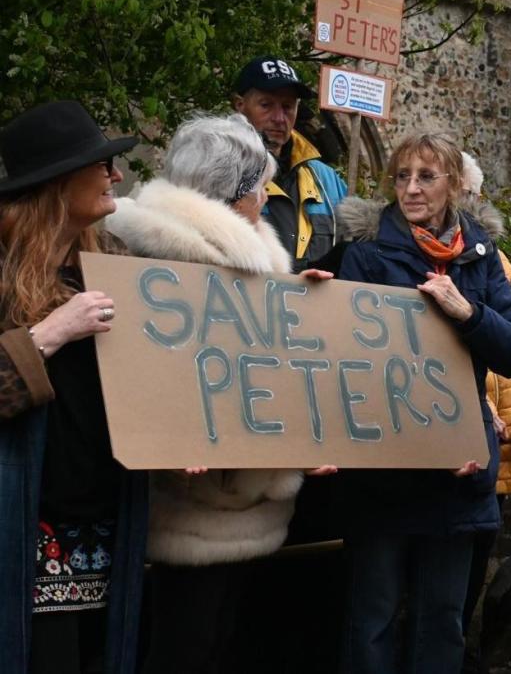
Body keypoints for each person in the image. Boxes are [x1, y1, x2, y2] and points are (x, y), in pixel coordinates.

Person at [102, 113, 336, 673]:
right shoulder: (156, 255)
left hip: (246, 494)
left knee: (224, 640)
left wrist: (299, 301)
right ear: (234, 191)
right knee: (185, 643)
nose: (265, 196)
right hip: (189, 496)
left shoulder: (255, 259)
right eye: (258, 185)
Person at [332, 132, 511, 673]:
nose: (412, 189)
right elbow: (345, 361)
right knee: (370, 619)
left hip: (458, 473)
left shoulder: (480, 258)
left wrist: (468, 312)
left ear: (455, 186)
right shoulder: (367, 255)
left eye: (426, 177)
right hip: (385, 472)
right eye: (402, 177)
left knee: (441, 621)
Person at [0, 100, 146, 673]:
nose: (114, 176)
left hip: (105, 522)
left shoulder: (111, 264)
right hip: (27, 526)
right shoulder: (5, 274)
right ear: (60, 183)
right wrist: (50, 333)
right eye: (101, 164)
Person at [456, 153, 511, 666]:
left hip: (502, 435)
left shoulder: (497, 260)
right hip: (458, 427)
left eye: (472, 191)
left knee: (477, 553)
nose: (469, 200)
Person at [231, 54, 348, 273]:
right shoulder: (216, 174)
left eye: (287, 107)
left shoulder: (328, 181)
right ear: (240, 105)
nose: (279, 117)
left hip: (314, 307)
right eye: (266, 105)